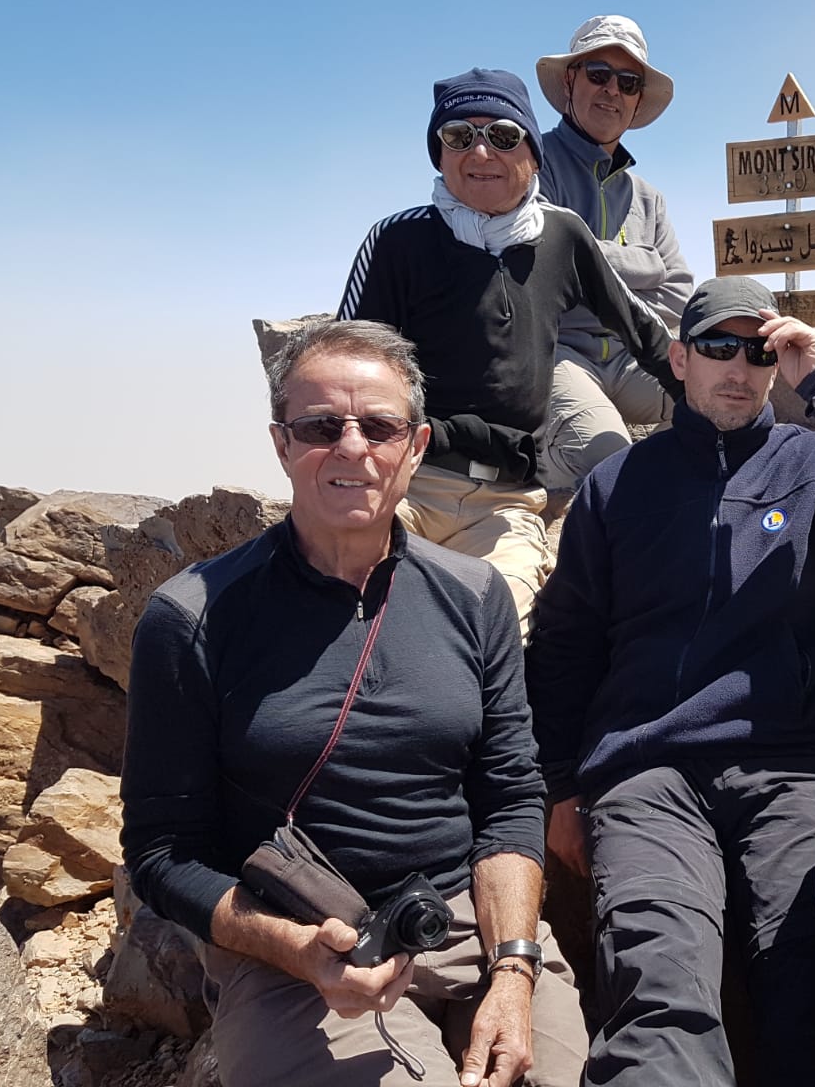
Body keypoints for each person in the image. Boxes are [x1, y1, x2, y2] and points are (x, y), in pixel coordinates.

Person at [119, 320, 589, 1087]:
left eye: (378, 426)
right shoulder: (194, 618)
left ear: (417, 443)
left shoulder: (474, 599)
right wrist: (292, 950)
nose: (351, 447)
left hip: (468, 924)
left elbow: (507, 796)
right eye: (319, 427)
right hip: (294, 944)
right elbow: (161, 851)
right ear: (280, 443)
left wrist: (514, 969)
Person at [525, 276, 815, 1084]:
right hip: (647, 774)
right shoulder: (618, 486)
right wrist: (559, 786)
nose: (740, 367)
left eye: (761, 351)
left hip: (793, 766)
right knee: (661, 987)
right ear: (679, 359)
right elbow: (567, 644)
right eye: (718, 347)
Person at [338, 67, 678, 627]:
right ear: (438, 154)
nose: (480, 151)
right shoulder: (399, 239)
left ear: (533, 155)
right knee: (354, 624)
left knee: (499, 636)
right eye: (457, 136)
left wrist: (715, 406)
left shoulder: (562, 235)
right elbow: (342, 368)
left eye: (501, 135)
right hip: (405, 481)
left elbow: (642, 331)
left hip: (509, 500)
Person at [534, 14, 695, 489]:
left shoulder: (647, 197)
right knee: (608, 458)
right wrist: (646, 263)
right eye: (598, 74)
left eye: (628, 82)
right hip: (559, 355)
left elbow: (678, 297)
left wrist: (586, 265)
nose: (613, 91)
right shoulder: (529, 164)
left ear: (637, 98)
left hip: (633, 359)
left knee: (727, 405)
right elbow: (544, 268)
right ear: (570, 80)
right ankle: (531, 471)